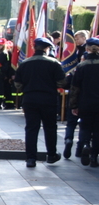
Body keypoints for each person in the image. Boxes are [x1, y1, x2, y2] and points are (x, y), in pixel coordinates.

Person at [14, 37, 68, 167]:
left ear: (34, 47)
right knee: (50, 127)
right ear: (47, 48)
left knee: (31, 128)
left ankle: (31, 158)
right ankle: (51, 155)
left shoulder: (24, 63)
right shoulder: (54, 63)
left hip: (30, 99)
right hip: (48, 99)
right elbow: (62, 83)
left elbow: (17, 84)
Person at [69, 38, 99, 167]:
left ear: (87, 49)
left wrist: (74, 105)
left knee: (85, 127)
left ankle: (86, 144)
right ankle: (94, 157)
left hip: (85, 103)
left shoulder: (81, 66)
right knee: (97, 131)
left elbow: (75, 88)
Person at [64, 30, 91, 158]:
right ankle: (82, 146)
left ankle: (69, 139)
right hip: (89, 101)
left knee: (71, 123)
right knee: (85, 126)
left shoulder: (78, 69)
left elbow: (71, 85)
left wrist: (73, 104)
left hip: (76, 100)